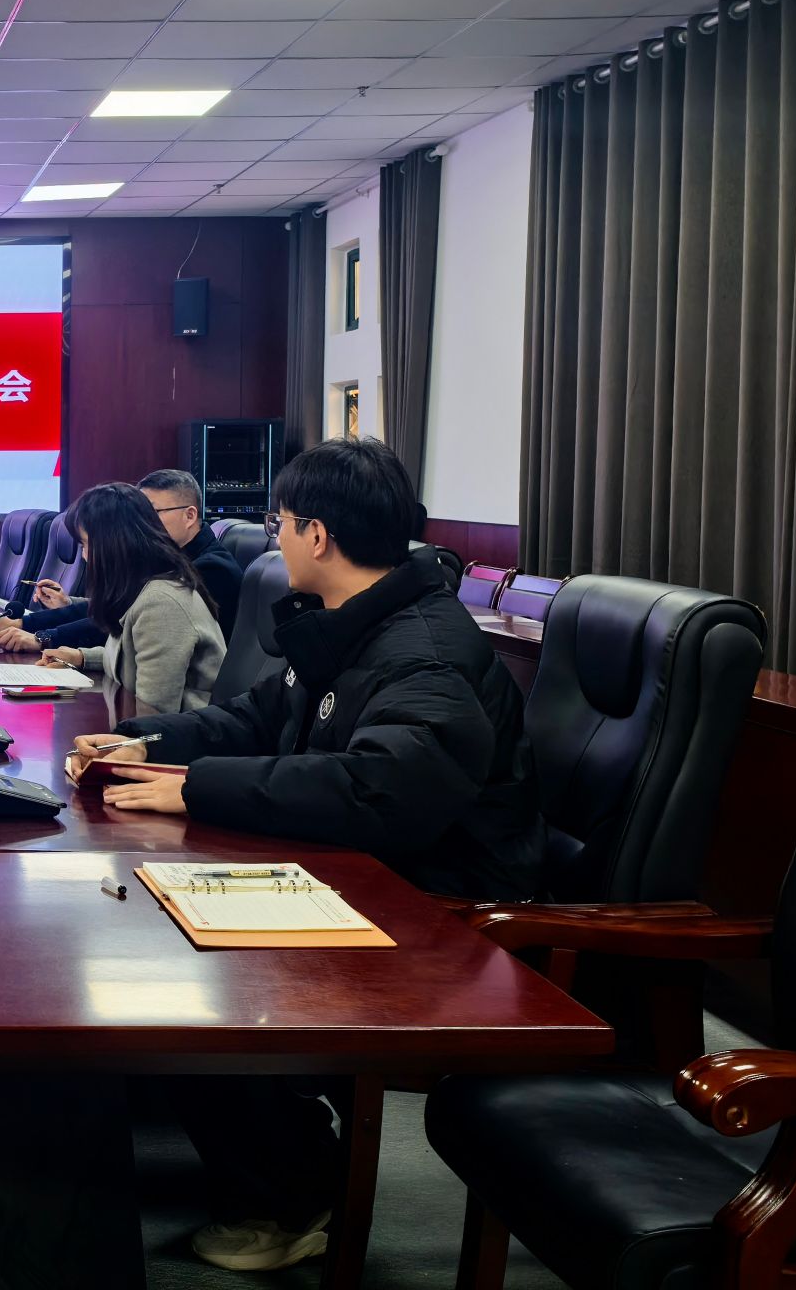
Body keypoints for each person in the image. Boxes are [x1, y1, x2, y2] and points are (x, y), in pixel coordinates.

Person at [67, 438, 543, 1271]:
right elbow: (256, 717)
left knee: (180, 960)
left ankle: (291, 1193)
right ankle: (251, 1147)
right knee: (148, 917)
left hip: (428, 904)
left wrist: (198, 788)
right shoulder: (351, 622)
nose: (276, 536)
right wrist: (146, 742)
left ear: (316, 534)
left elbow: (379, 791)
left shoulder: (421, 652)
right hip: (360, 867)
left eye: (280, 522)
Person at [0, 470, 242, 653]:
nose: (141, 523)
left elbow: (119, 619)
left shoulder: (211, 570)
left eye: (151, 513)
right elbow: (113, 608)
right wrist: (27, 623)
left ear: (190, 515)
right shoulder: (161, 562)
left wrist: (43, 637)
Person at [33, 482, 224, 715]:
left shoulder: (161, 603)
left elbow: (153, 715)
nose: (84, 556)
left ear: (112, 544)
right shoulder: (140, 589)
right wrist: (81, 657)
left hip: (180, 736)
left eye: (85, 544)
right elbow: (134, 657)